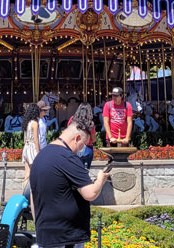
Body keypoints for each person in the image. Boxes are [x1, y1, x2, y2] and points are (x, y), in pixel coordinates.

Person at [29, 105, 110, 248]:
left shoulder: (40, 156)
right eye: (83, 144)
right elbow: (90, 193)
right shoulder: (69, 158)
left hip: (45, 235)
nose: (82, 149)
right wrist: (100, 180)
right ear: (77, 138)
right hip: (66, 238)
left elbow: (32, 195)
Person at [22, 102, 43, 186]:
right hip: (32, 148)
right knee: (35, 173)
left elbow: (24, 139)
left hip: (26, 147)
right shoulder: (35, 123)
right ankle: (32, 194)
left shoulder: (27, 123)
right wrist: (38, 153)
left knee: (27, 174)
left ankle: (24, 194)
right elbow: (36, 140)